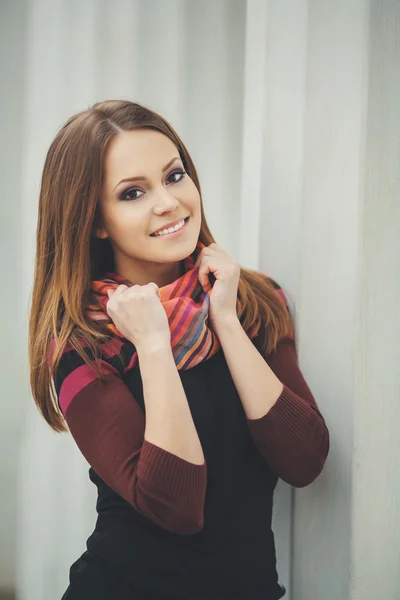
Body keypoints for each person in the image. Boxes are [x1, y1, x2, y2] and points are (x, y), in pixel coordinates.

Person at [28, 99, 330, 600]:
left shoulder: (253, 300)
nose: (167, 202)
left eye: (174, 175)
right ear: (95, 220)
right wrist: (152, 345)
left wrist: (227, 322)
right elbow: (178, 507)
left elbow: (304, 461)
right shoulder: (83, 344)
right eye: (132, 193)